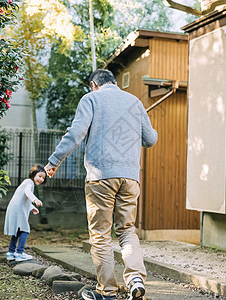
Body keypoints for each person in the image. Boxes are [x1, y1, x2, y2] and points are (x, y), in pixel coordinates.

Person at [45, 69, 158, 300]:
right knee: (127, 231)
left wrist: (54, 161)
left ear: (93, 84)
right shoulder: (134, 102)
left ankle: (107, 292)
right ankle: (136, 278)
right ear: (115, 83)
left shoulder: (91, 99)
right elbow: (151, 139)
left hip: (101, 177)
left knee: (100, 235)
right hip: (130, 178)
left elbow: (76, 133)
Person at [4, 164, 47, 262]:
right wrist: (35, 200)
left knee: (18, 230)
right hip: (18, 209)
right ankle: (19, 253)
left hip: (14, 207)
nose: (41, 179)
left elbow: (23, 198)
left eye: (43, 178)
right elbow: (27, 192)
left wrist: (32, 208)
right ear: (33, 174)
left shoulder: (26, 182)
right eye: (39, 176)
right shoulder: (29, 182)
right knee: (25, 230)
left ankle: (11, 253)